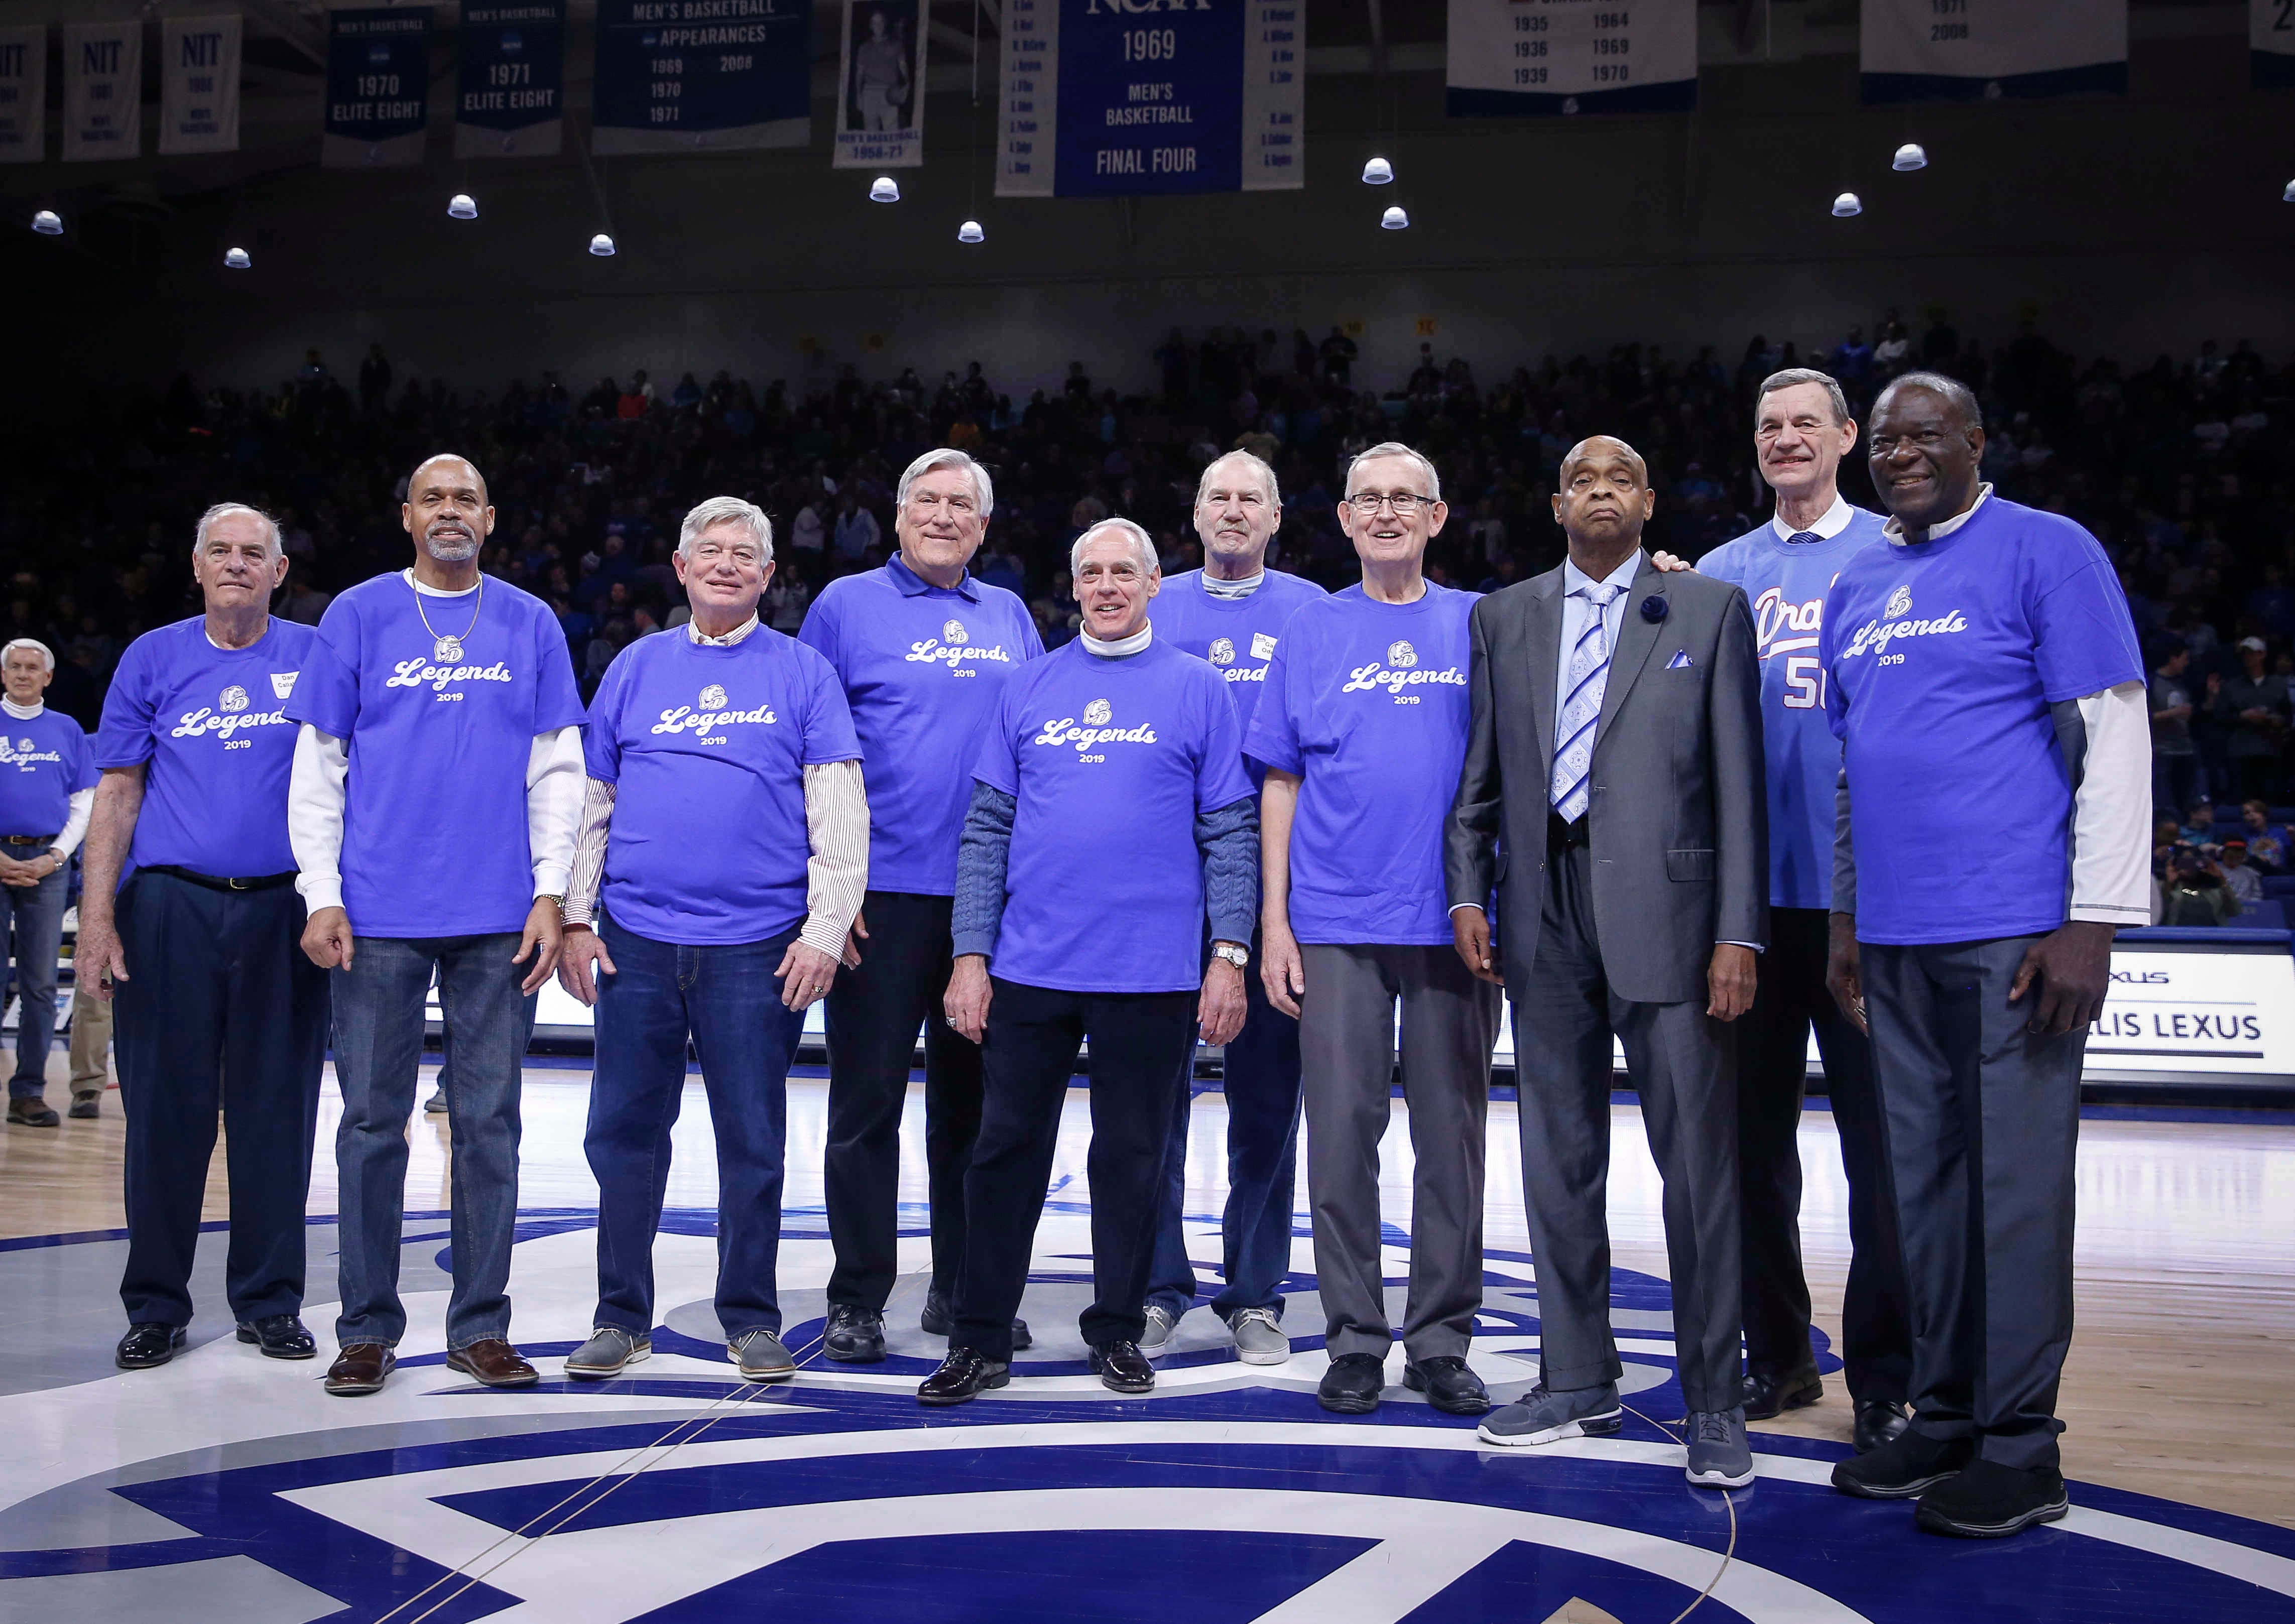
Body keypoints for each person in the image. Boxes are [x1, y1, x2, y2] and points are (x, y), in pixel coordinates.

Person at [1821, 372, 2148, 1538]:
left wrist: (2093, 918)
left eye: (1926, 435)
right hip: (1897, 937)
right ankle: (1947, 1413)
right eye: (1890, 441)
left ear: (1974, 441)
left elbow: (2112, 725)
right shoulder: (1858, 581)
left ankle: (2023, 1446)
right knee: (1928, 1193)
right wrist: (1850, 922)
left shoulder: (2047, 550)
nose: (1904, 454)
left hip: (2017, 929)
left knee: (2011, 1192)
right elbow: (1860, 767)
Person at [1447, 434, 1765, 1489]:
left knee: (1697, 1175)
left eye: (1617, 479)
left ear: (1646, 500)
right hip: (1541, 915)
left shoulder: (1710, 608)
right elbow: (1479, 779)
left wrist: (1736, 931)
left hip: (1671, 922)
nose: (1597, 492)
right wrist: (1465, 888)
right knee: (1555, 1163)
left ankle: (1714, 1399)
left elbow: (1737, 789)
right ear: (1554, 504)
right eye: (1579, 480)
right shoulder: (1501, 617)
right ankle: (1575, 1376)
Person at [918, 518, 1257, 1405]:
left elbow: (1229, 833)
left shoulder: (1200, 689)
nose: (1106, 587)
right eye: (1091, 574)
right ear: (1074, 589)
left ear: (1152, 584)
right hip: (1031, 965)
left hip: (1152, 973)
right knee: (1002, 1154)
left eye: (1123, 572)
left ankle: (1116, 1330)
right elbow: (987, 828)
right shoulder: (1028, 688)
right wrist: (970, 954)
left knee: (1133, 1157)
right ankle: (980, 1336)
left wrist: (1229, 954)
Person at [287, 454, 586, 1398]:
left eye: (466, 499)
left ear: (490, 518)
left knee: (489, 1126)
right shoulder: (358, 614)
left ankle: (479, 1327)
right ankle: (367, 1328)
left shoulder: (531, 621)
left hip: (499, 916)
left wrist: (551, 892)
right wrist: (319, 892)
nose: (449, 512)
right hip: (375, 914)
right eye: (433, 499)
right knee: (373, 1126)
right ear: (406, 514)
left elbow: (559, 771)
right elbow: (320, 764)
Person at [557, 497, 867, 1382]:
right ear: (682, 568)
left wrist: (825, 928)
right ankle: (621, 1316)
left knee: (753, 1139)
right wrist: (578, 916)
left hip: (755, 947)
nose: (727, 564)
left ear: (770, 576)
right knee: (621, 1135)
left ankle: (750, 1317)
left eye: (745, 555)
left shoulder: (804, 673)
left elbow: (838, 812)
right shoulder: (633, 668)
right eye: (711, 552)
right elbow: (592, 806)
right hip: (637, 942)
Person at [1248, 442, 1501, 1416]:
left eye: (1406, 499)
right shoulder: (1310, 631)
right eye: (1368, 499)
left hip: (1453, 922)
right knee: (1340, 1138)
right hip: (1334, 920)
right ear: (1344, 521)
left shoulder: (1480, 623)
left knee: (1452, 1141)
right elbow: (1279, 778)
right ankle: (1354, 1335)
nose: (1386, 512)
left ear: (1436, 518)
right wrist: (1273, 921)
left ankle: (1440, 1340)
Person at [1688, 369, 1914, 1454]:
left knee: (1882, 1156)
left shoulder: (1893, 549)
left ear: (1844, 438)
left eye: (1801, 424)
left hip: (1866, 906)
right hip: (1746, 908)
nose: (1783, 439)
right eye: (1766, 424)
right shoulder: (1722, 570)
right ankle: (1775, 1354)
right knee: (1746, 1150)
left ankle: (1884, 1373)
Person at [799, 449, 1043, 1362]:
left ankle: (963, 1289)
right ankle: (858, 1295)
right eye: (927, 502)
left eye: (961, 506)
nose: (943, 517)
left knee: (974, 1112)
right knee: (866, 1107)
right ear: (897, 518)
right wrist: (826, 888)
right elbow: (808, 752)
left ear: (983, 526)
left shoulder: (1011, 614)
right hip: (876, 899)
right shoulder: (843, 607)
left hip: (987, 906)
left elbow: (1034, 748)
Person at [76, 505, 329, 1368]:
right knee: (162, 1117)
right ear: (195, 566)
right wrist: (99, 919)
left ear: (279, 571)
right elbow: (118, 791)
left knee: (276, 1114)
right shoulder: (153, 656)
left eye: (252, 553)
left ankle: (268, 1301)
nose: (235, 564)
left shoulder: (314, 656)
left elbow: (347, 784)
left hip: (282, 913)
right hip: (169, 911)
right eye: (220, 551)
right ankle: (155, 1305)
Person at [1137, 449, 1323, 1366]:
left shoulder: (1317, 611)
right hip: (1158, 889)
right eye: (1219, 494)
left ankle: (1255, 1291)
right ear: (1197, 511)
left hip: (1275, 891)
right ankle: (1158, 1282)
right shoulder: (1150, 602)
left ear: (1277, 516)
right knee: (1152, 1101)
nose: (1235, 509)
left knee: (1264, 1104)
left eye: (1252, 497)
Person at [2, 638, 95, 1128]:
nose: (22, 674)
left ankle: (29, 1094)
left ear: (48, 677)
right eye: (14, 666)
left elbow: (84, 801)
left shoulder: (66, 730)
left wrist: (55, 855)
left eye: (31, 668)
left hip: (47, 863)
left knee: (39, 985)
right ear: (2, 674)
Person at [2215, 637, 2289, 805]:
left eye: (2252, 654)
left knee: (2270, 799)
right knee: (2242, 799)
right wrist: (2242, 716)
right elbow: (2220, 717)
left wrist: (2276, 720)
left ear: (2263, 655)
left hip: (2270, 750)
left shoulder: (2278, 685)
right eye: (2245, 654)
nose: (2248, 658)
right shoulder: (2232, 686)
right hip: (2241, 751)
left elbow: (2288, 716)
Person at [2148, 640, 2199, 815]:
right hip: (2162, 750)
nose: (2187, 663)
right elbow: (2144, 717)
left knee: (2186, 802)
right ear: (2173, 659)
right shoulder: (2151, 683)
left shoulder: (2183, 683)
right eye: (2184, 658)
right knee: (2165, 805)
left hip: (2185, 749)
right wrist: (2173, 713)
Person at [852, 7, 911, 132]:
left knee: (891, 132)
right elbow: (860, 74)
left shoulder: (896, 45)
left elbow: (903, 66)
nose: (878, 26)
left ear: (885, 24)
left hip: (890, 93)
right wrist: (858, 95)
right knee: (871, 134)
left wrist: (907, 85)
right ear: (871, 26)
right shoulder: (864, 48)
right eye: (874, 23)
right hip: (869, 93)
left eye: (880, 22)